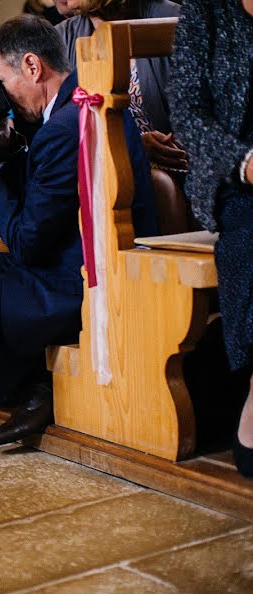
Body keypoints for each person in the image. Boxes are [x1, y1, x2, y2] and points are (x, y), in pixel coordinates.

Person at [0, 16, 160, 446]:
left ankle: (33, 390)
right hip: (63, 260)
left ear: (33, 67)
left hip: (69, 279)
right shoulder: (78, 107)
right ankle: (24, 373)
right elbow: (42, 198)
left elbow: (27, 243)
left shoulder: (60, 129)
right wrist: (8, 145)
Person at [169, 0, 253, 477]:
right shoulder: (207, 12)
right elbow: (187, 113)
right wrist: (244, 162)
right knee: (249, 238)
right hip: (233, 175)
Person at [57, 0, 189, 234]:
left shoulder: (172, 18)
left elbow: (199, 113)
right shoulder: (62, 37)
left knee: (159, 184)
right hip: (109, 168)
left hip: (184, 162)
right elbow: (63, 132)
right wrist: (134, 146)